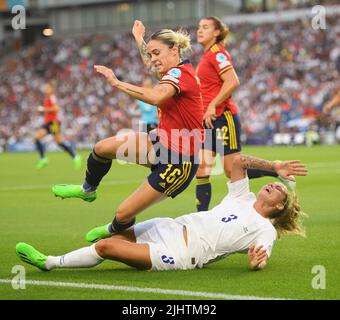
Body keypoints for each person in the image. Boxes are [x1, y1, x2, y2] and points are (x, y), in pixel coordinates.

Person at [16, 154, 307, 272]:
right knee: (117, 233)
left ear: (279, 206)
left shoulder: (265, 230)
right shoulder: (243, 198)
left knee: (106, 247)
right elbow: (240, 162)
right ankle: (110, 228)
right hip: (169, 225)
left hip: (182, 253)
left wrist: (257, 262)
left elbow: (261, 258)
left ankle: (49, 263)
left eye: (278, 190)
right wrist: (274, 166)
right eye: (273, 184)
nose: (272, 185)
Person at [52, 27, 204, 241]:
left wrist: (116, 82)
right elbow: (151, 68)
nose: (152, 59)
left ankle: (113, 231)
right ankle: (88, 190)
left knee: (122, 214)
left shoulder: (181, 74)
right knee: (102, 149)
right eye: (150, 54)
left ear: (174, 50)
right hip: (160, 143)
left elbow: (155, 97)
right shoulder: (172, 71)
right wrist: (139, 38)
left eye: (157, 53)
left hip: (179, 161)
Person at [194, 16, 293, 211]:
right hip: (208, 120)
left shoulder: (217, 53)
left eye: (205, 27)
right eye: (199, 27)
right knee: (202, 170)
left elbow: (233, 81)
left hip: (224, 117)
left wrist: (213, 105)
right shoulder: (206, 56)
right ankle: (201, 217)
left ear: (216, 32)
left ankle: (275, 170)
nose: (199, 30)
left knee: (231, 171)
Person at [34, 83, 82, 170]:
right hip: (48, 123)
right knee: (37, 138)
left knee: (59, 143)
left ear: (51, 89)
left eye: (47, 88)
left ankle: (75, 156)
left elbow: (56, 108)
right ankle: (43, 159)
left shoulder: (52, 97)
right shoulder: (47, 98)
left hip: (53, 123)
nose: (45, 89)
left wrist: (44, 109)